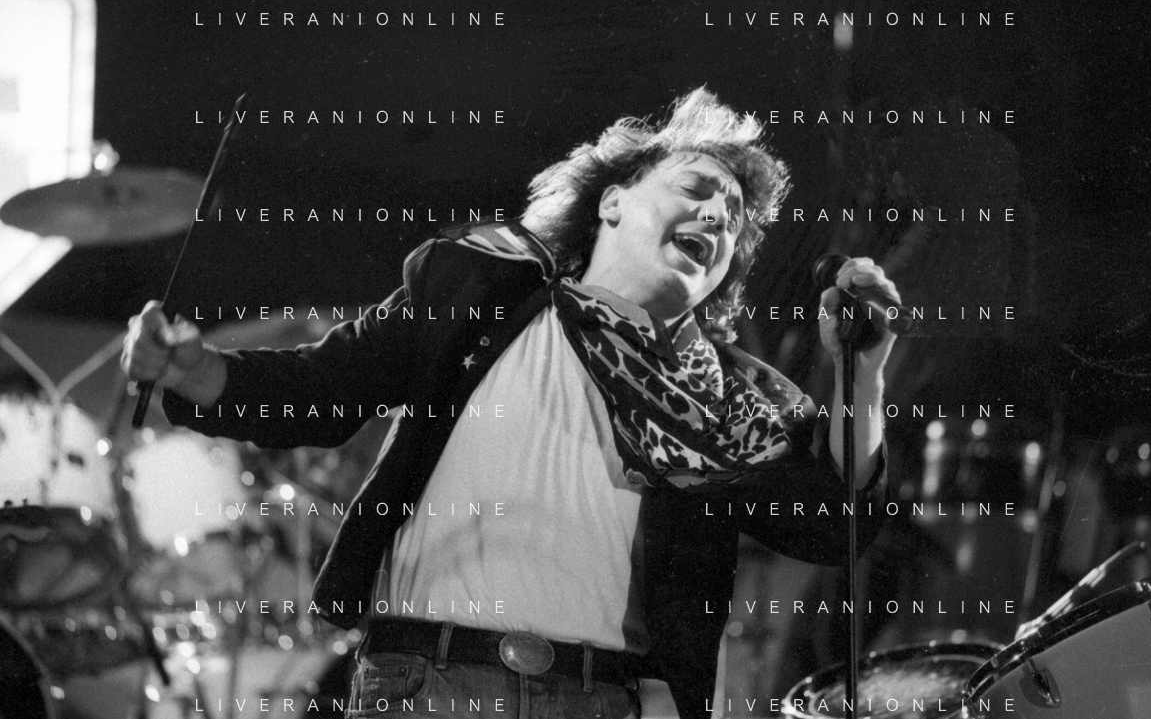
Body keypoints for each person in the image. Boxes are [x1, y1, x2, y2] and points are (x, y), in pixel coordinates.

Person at [122, 88, 897, 719]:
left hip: (605, 700)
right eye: (695, 189)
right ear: (613, 202)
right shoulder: (477, 290)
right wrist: (192, 370)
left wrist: (862, 375)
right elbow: (320, 391)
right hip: (429, 685)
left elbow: (831, 520)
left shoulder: (732, 401)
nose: (717, 216)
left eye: (731, 219)